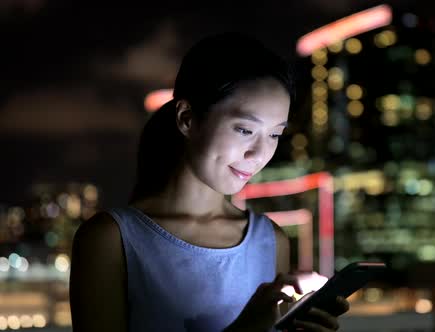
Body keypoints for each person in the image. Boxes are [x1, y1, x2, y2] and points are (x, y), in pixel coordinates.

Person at [69, 32, 349, 332]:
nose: (258, 153)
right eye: (244, 130)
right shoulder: (110, 239)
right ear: (187, 118)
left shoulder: (270, 240)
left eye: (275, 134)